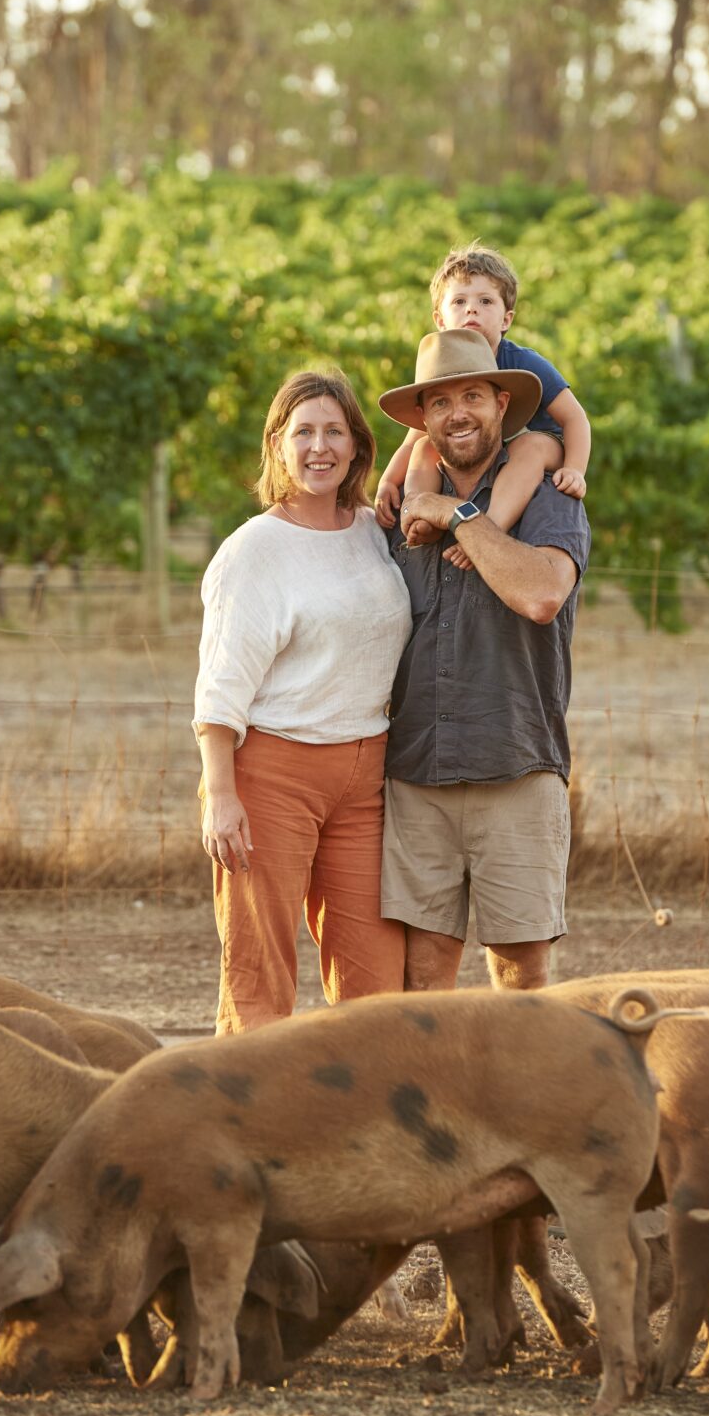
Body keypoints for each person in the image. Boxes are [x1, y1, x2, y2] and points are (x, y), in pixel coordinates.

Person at [193, 370, 412, 1035]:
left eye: (334, 432)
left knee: (376, 981)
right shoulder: (254, 550)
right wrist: (222, 794)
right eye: (304, 432)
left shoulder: (377, 533)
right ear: (278, 447)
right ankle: (244, 1120)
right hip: (271, 776)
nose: (320, 447)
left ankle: (364, 1123)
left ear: (356, 448)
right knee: (261, 976)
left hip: (366, 777)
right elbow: (221, 684)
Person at [376, 327, 591, 993]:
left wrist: (455, 513)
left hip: (516, 762)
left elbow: (541, 594)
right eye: (439, 402)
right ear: (424, 420)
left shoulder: (550, 492)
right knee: (424, 969)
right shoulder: (396, 513)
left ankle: (518, 1099)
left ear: (502, 403)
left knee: (520, 972)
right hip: (416, 772)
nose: (457, 413)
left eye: (472, 395)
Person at [375, 243, 591, 568]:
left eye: (485, 301)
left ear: (506, 319)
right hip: (479, 444)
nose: (471, 310)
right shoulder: (442, 366)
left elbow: (575, 419)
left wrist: (574, 469)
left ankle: (488, 528)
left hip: (543, 443)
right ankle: (421, 517)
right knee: (425, 448)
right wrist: (388, 481)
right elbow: (414, 437)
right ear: (440, 319)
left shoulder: (523, 361)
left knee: (528, 446)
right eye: (459, 302)